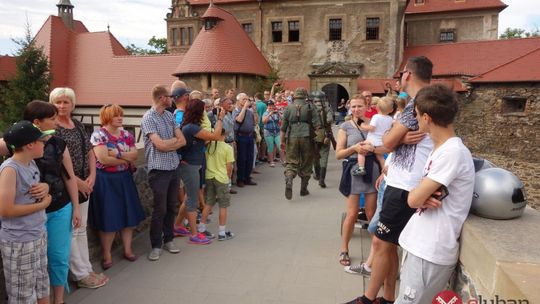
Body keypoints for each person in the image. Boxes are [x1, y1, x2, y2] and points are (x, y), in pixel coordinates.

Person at [344, 56, 434, 304]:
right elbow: (393, 141)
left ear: (408, 75)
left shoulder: (418, 102)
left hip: (405, 185)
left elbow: (387, 143)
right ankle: (388, 297)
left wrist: (394, 140)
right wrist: (396, 140)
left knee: (381, 242)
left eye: (401, 74)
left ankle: (369, 298)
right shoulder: (428, 99)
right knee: (389, 243)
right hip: (405, 180)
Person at [396, 84, 475, 304]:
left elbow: (413, 199)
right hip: (422, 244)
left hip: (431, 250)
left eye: (417, 115)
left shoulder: (452, 152)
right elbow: (418, 195)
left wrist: (419, 194)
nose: (416, 120)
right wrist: (420, 194)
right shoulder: (441, 148)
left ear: (427, 118)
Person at [23, 100, 81, 304]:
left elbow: (69, 177)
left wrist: (76, 209)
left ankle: (59, 300)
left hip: (59, 208)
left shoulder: (58, 143)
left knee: (58, 257)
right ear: (37, 122)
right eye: (52, 119)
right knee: (34, 262)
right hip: (29, 212)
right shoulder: (17, 142)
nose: (57, 122)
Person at [49, 87, 107, 289]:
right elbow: (55, 161)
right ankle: (80, 274)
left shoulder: (78, 125)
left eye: (66, 102)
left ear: (73, 104)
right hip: (67, 186)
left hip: (85, 183)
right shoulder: (53, 129)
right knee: (72, 230)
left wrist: (92, 175)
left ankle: (87, 268)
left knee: (81, 228)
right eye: (58, 102)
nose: (62, 106)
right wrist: (77, 181)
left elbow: (90, 151)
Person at [0, 121, 53, 304]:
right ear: (30, 144)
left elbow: (33, 191)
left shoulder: (31, 163)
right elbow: (5, 210)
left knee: (41, 284)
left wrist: (45, 188)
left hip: (37, 234)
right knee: (23, 294)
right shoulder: (10, 169)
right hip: (20, 241)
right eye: (41, 141)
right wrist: (43, 204)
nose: (44, 144)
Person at [89, 104, 146, 269]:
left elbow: (135, 155)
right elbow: (104, 160)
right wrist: (126, 159)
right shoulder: (99, 135)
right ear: (107, 117)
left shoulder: (127, 134)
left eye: (121, 115)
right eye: (116, 116)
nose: (121, 118)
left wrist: (118, 154)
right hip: (106, 180)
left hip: (124, 178)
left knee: (128, 216)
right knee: (109, 217)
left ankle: (128, 250)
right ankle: (107, 254)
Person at [336, 95, 386, 267]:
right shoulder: (345, 127)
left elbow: (380, 148)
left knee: (372, 214)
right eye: (353, 106)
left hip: (372, 170)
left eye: (359, 106)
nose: (356, 109)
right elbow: (338, 154)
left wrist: (384, 167)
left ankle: (377, 251)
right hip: (353, 171)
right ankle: (344, 249)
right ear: (350, 107)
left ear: (366, 106)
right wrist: (354, 148)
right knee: (352, 213)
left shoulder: (373, 125)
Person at [141, 85, 186, 261]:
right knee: (160, 209)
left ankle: (169, 239)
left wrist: (169, 144)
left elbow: (181, 140)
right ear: (162, 98)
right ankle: (155, 245)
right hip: (158, 170)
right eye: (170, 96)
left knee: (171, 206)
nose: (172, 98)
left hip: (173, 167)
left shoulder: (169, 116)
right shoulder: (148, 118)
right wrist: (171, 143)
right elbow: (159, 145)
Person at [179, 98, 226, 244]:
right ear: (198, 111)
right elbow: (216, 136)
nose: (205, 112)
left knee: (188, 197)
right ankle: (194, 234)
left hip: (191, 164)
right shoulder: (191, 127)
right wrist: (220, 119)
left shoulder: (190, 126)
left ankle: (176, 225)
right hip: (190, 166)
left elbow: (202, 140)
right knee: (192, 201)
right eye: (203, 109)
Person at [280, 87, 321, 200]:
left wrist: (282, 141)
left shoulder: (288, 108)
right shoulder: (310, 107)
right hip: (307, 136)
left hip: (292, 136)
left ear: (294, 96)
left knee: (291, 162)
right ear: (305, 96)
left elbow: (283, 127)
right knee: (307, 163)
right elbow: (317, 125)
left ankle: (289, 178)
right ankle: (303, 189)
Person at [199, 129, 235, 241]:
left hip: (209, 176)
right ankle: (222, 232)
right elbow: (229, 167)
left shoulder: (209, 146)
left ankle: (201, 229)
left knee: (209, 203)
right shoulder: (228, 148)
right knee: (223, 205)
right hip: (221, 178)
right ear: (223, 135)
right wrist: (228, 179)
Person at [352, 96, 395, 176]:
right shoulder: (390, 119)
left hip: (372, 140)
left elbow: (371, 128)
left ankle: (361, 168)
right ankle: (386, 172)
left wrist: (361, 124)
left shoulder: (376, 117)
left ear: (377, 107)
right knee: (381, 158)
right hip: (382, 141)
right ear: (391, 110)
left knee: (361, 151)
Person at [232, 93, 257, 187]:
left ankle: (247, 177)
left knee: (250, 158)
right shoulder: (236, 110)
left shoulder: (250, 112)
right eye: (244, 99)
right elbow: (238, 120)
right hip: (241, 136)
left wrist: (254, 111)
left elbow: (255, 122)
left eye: (247, 99)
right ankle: (240, 179)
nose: (246, 101)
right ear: (238, 101)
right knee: (242, 158)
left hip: (250, 136)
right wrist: (245, 108)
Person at [311, 90, 334, 188]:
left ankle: (317, 174)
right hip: (325, 134)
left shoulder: (310, 108)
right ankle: (322, 180)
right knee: (324, 156)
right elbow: (330, 120)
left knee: (315, 156)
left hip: (314, 134)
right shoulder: (327, 108)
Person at [262, 101, 281, 167]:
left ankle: (284, 160)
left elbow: (281, 121)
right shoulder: (265, 113)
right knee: (270, 147)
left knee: (280, 145)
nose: (271, 107)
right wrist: (270, 114)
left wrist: (279, 114)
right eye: (269, 106)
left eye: (272, 105)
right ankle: (271, 161)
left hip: (277, 131)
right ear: (267, 107)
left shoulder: (276, 113)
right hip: (268, 132)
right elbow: (264, 122)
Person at [255, 92, 268, 162]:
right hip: (263, 125)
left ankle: (257, 157)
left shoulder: (255, 104)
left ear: (256, 98)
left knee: (257, 141)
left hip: (257, 125)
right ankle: (262, 156)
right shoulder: (264, 105)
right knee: (263, 141)